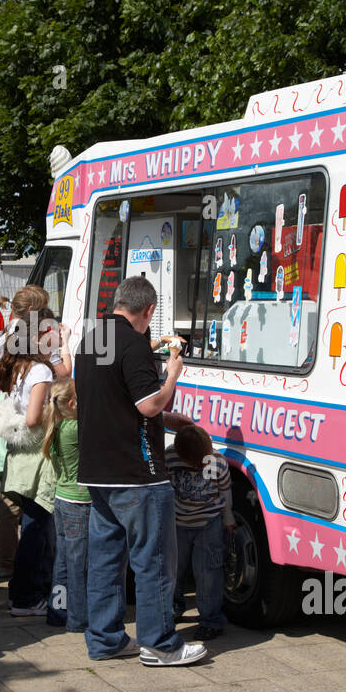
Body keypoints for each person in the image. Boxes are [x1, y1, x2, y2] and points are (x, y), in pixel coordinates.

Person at [74, 275, 206, 666]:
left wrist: (166, 414)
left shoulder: (93, 338)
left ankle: (105, 638)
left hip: (97, 471)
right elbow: (148, 405)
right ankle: (160, 643)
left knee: (105, 560)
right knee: (153, 560)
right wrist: (172, 374)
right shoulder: (133, 345)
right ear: (148, 310)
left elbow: (112, 393)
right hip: (138, 473)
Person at [0, 289, 63, 617]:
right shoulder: (40, 371)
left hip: (20, 457)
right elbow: (33, 418)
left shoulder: (17, 366)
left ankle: (24, 593)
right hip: (38, 457)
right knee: (36, 530)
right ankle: (26, 596)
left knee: (33, 528)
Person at [162, 420, 234, 641]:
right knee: (174, 569)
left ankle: (211, 619)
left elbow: (225, 492)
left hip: (208, 523)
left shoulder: (217, 461)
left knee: (208, 572)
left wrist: (228, 517)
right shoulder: (170, 457)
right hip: (178, 523)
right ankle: (174, 606)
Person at [40, 376, 88, 633]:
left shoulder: (58, 425)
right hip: (79, 503)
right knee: (79, 564)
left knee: (63, 560)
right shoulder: (75, 428)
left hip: (62, 499)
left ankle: (58, 611)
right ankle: (78, 618)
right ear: (72, 402)